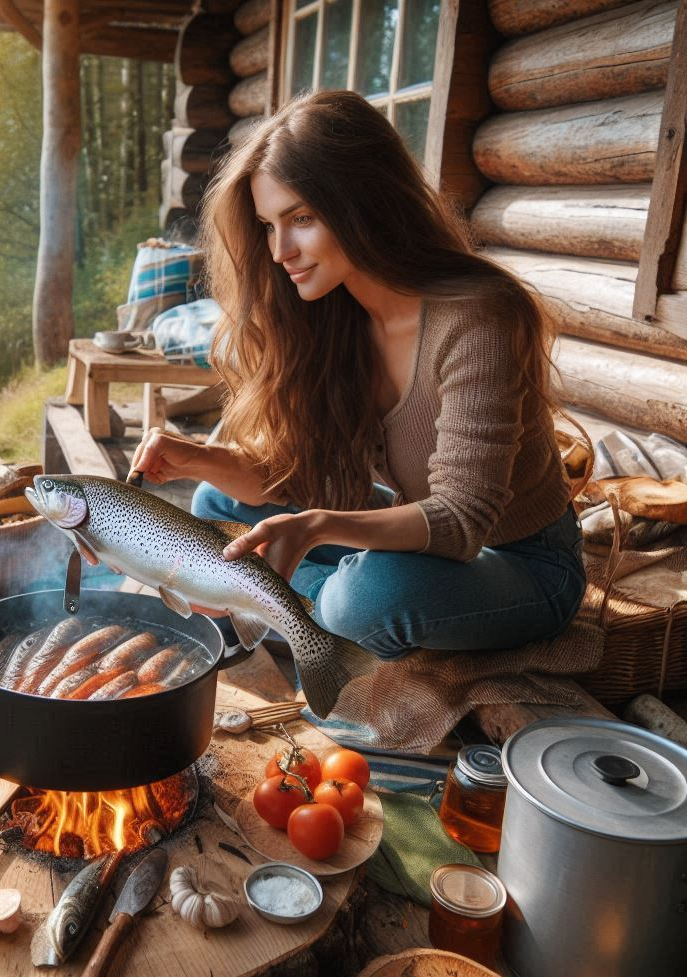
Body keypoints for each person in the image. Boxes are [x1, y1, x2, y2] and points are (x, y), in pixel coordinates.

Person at [129, 90, 586, 670]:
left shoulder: (478, 316)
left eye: (301, 219)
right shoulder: (333, 315)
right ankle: (299, 601)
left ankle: (294, 608)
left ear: (363, 203)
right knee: (216, 499)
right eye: (269, 226)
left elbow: (464, 521)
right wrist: (194, 457)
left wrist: (318, 527)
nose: (280, 251)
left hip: (523, 562)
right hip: (415, 529)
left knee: (365, 596)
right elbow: (308, 473)